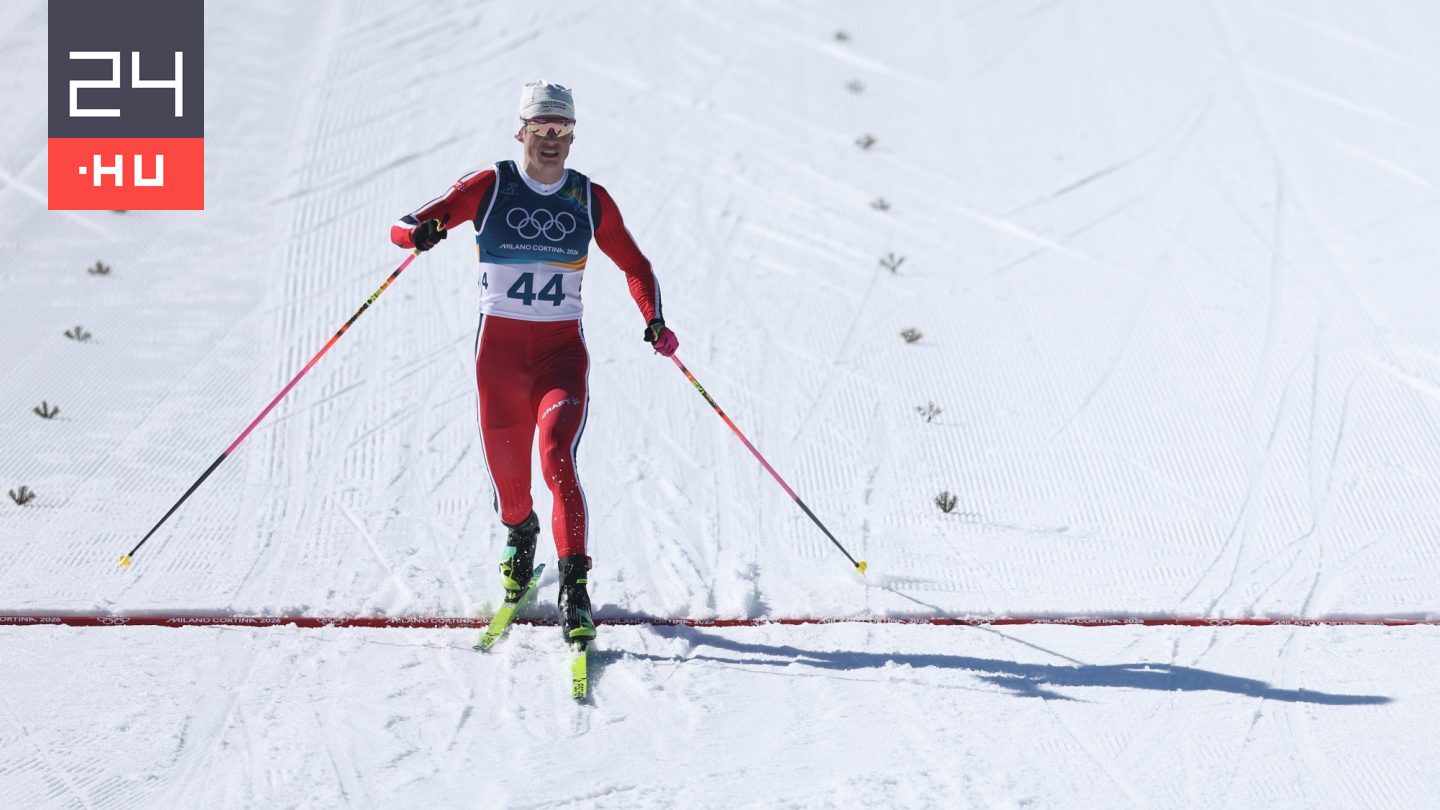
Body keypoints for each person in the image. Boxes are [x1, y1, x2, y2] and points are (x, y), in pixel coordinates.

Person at [390, 81, 678, 644]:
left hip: (559, 355)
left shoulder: (589, 198)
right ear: (521, 131)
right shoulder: (490, 185)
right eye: (541, 129)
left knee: (556, 455)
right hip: (497, 358)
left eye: (561, 130)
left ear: (572, 136)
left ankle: (576, 587)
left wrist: (654, 318)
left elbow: (636, 266)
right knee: (512, 485)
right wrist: (419, 234)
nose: (550, 140)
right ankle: (520, 535)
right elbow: (404, 224)